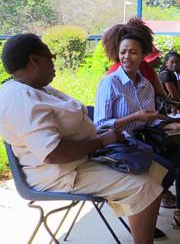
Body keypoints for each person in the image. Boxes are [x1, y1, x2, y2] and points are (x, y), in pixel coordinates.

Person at [0, 34, 166, 244]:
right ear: (34, 60)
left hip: (80, 160)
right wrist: (102, 141)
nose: (54, 62)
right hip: (60, 173)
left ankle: (140, 221)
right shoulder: (18, 98)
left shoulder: (38, 88)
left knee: (155, 169)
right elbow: (53, 153)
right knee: (146, 187)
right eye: (50, 56)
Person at [94, 29, 180, 231]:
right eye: (123, 52)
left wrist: (166, 124)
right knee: (165, 169)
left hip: (144, 138)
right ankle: (143, 218)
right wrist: (134, 117)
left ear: (142, 56)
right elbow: (100, 124)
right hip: (121, 143)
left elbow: (149, 118)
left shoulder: (146, 84)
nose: (127, 57)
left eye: (133, 52)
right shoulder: (110, 82)